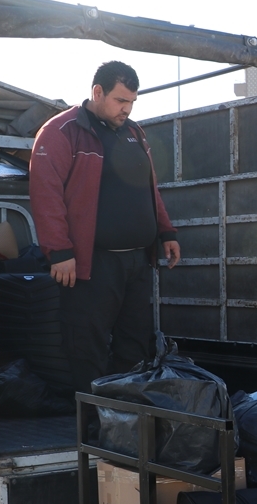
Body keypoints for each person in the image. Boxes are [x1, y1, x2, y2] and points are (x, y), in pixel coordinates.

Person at [30, 61, 181, 393]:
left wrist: (165, 231)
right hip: (90, 266)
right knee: (87, 345)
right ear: (97, 92)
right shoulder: (61, 131)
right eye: (120, 100)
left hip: (138, 263)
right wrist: (59, 251)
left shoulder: (133, 133)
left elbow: (148, 187)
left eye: (131, 102)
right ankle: (93, 423)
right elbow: (46, 193)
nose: (126, 109)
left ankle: (124, 423)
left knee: (135, 344)